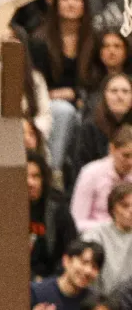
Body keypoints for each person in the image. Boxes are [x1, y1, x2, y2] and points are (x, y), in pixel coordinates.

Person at [31, 0, 95, 169]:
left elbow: (96, 80)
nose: (71, 3)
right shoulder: (39, 40)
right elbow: (35, 83)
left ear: (84, 4)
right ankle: (53, 171)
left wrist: (75, 94)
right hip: (49, 103)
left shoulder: (94, 39)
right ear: (56, 3)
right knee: (63, 111)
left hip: (85, 100)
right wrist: (54, 95)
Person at [31, 239, 103, 310]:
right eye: (84, 262)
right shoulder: (36, 291)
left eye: (94, 267)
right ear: (66, 261)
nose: (88, 271)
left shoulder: (96, 302)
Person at [69, 72, 132, 182]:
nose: (120, 96)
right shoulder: (90, 127)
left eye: (125, 91)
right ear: (104, 96)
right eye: (114, 91)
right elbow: (80, 169)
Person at [71, 124, 132, 232]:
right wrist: (113, 227)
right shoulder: (91, 173)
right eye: (126, 155)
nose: (130, 162)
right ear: (112, 149)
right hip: (96, 239)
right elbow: (77, 221)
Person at [28, 150, 78, 280]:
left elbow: (71, 250)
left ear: (43, 178)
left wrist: (49, 283)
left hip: (51, 279)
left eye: (36, 176)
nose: (30, 183)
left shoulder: (57, 207)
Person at [84, 182, 132, 290]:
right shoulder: (94, 236)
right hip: (100, 301)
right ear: (112, 209)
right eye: (125, 206)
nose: (131, 210)